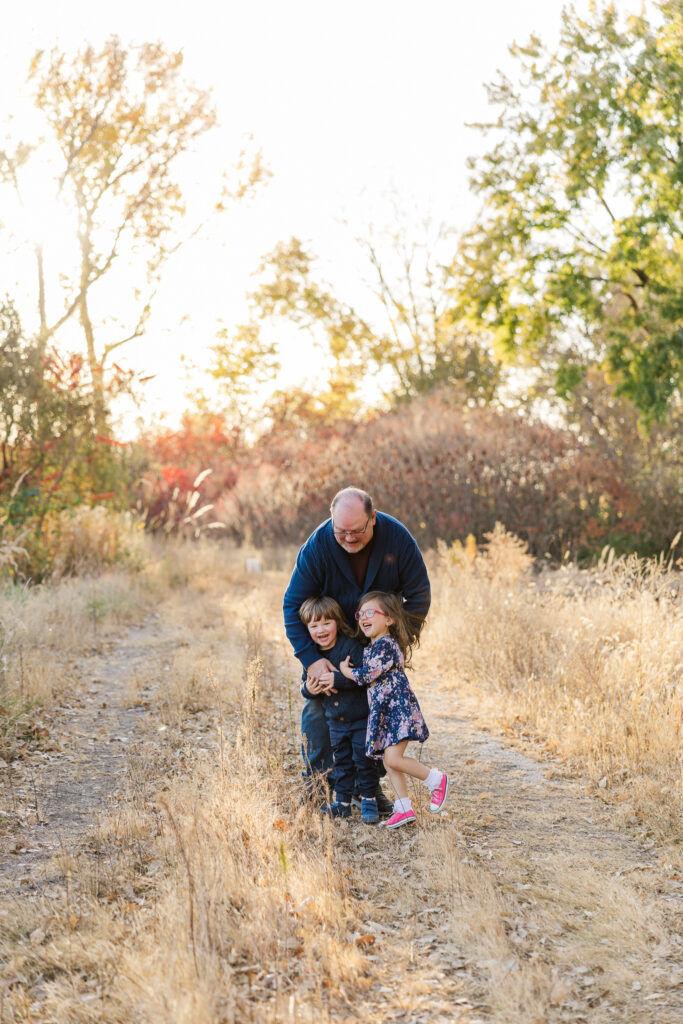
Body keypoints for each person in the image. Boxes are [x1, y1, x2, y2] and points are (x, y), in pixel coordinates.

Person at [283, 488, 431, 813]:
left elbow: (419, 595)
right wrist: (313, 660)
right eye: (341, 532)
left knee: (375, 717)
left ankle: (368, 790)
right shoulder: (318, 546)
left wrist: (395, 641)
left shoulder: (397, 539)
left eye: (357, 531)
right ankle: (318, 789)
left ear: (373, 518)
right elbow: (292, 605)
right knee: (321, 710)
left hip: (375, 645)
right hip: (330, 642)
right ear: (332, 522)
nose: (349, 539)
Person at [340, 590, 449, 830]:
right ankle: (403, 808)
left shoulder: (386, 645)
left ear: (389, 619)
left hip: (398, 712)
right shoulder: (374, 646)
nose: (362, 617)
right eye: (360, 614)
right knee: (390, 762)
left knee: (392, 758)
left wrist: (345, 671)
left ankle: (435, 779)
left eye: (370, 612)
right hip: (387, 714)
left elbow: (367, 675)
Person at [298, 596, 379, 824]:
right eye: (314, 626)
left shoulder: (350, 647)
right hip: (335, 723)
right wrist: (309, 689)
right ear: (307, 630)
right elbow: (306, 684)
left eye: (326, 623)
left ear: (337, 622)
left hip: (358, 718)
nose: (320, 630)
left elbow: (364, 678)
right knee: (342, 761)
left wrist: (338, 679)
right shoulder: (312, 655)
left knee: (364, 760)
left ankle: (369, 799)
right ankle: (342, 803)